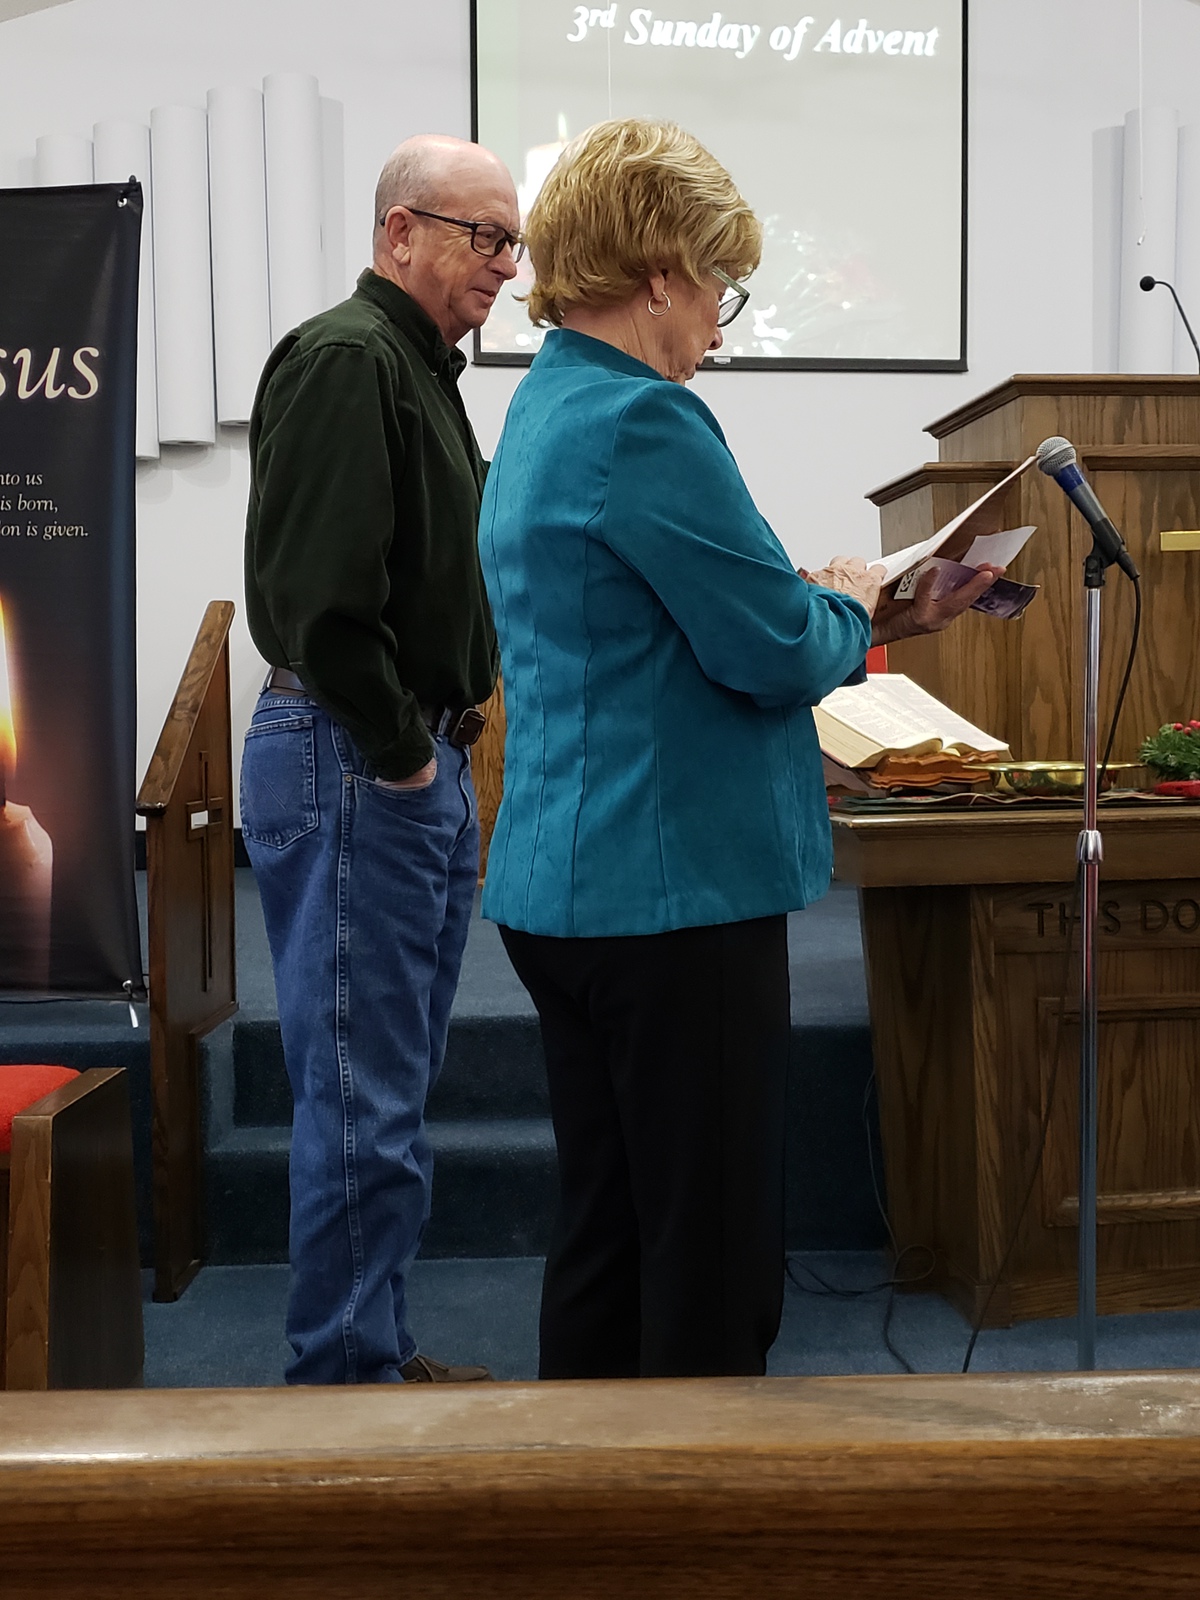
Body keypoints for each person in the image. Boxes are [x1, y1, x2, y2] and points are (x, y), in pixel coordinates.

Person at [478, 118, 1000, 1380]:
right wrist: (860, 603)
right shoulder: (645, 423)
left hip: (570, 880)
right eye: (718, 282)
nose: (723, 316)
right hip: (672, 892)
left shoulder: (543, 405)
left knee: (608, 1233)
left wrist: (823, 598)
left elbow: (669, 621)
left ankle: (595, 1517)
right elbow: (768, 646)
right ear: (657, 270)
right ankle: (691, 1538)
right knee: (708, 1258)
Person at [241, 134, 521, 1384]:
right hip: (363, 755)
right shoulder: (351, 359)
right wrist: (407, 755)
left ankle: (370, 1349)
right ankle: (342, 1390)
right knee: (363, 1102)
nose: (505, 266)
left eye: (511, 242)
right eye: (484, 237)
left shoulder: (414, 369)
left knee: (383, 1095)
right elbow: (317, 599)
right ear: (399, 232)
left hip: (403, 763)